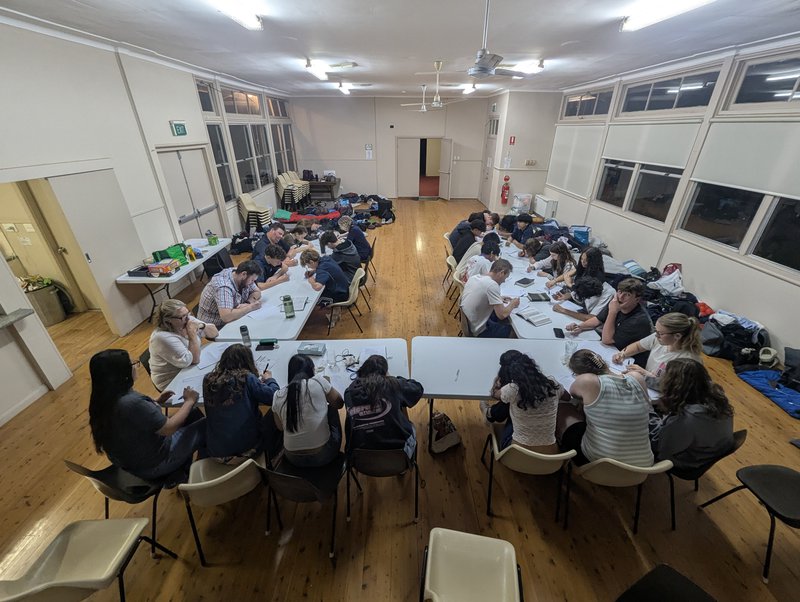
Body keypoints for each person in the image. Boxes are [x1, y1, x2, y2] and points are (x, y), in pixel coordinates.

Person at [88, 349, 206, 481]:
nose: (135, 367)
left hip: (132, 461)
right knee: (208, 424)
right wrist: (190, 401)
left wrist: (155, 402)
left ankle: (185, 469)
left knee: (193, 414)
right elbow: (169, 428)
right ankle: (200, 474)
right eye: (132, 364)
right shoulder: (130, 402)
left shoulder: (104, 399)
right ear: (122, 374)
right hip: (154, 464)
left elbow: (133, 418)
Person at [560, 349, 653, 467]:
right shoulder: (636, 377)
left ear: (580, 374)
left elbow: (573, 393)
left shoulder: (587, 380)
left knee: (564, 408)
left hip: (601, 464)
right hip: (643, 465)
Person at [650, 359, 734, 471]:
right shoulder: (715, 397)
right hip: (706, 451)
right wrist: (644, 379)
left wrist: (646, 409)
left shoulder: (686, 419)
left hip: (687, 460)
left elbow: (659, 446)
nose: (662, 380)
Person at [202, 344, 280, 463]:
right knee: (275, 412)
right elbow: (274, 396)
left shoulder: (208, 379)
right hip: (246, 450)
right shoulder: (247, 378)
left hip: (215, 452)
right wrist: (269, 379)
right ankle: (272, 458)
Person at [481, 353, 567, 453]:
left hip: (515, 453)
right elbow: (567, 397)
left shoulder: (512, 389)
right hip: (550, 456)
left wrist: (497, 379)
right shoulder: (552, 384)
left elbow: (494, 394)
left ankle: (490, 414)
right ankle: (490, 413)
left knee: (512, 407)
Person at [344, 355, 424, 458]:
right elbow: (418, 388)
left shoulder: (349, 393)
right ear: (384, 374)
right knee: (405, 413)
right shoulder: (392, 384)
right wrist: (394, 379)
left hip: (360, 456)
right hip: (400, 452)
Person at [272, 354, 344, 467]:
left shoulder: (278, 395)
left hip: (292, 458)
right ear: (311, 370)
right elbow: (339, 403)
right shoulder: (318, 381)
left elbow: (280, 427)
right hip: (324, 455)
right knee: (332, 407)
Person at [565, 278, 653, 364]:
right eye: (620, 292)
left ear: (637, 299)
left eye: (627, 295)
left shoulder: (639, 320)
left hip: (628, 360)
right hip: (613, 349)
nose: (621, 297)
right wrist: (580, 326)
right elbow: (597, 319)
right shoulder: (616, 303)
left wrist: (612, 312)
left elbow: (607, 340)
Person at [612, 312, 703, 389]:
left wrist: (646, 374)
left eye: (660, 333)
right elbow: (638, 346)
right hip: (647, 384)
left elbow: (674, 388)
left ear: (677, 336)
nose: (656, 335)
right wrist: (622, 354)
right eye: (656, 330)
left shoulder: (688, 360)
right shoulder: (660, 339)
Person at [148, 299, 218, 392]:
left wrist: (202, 325)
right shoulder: (161, 337)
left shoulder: (186, 320)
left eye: (188, 313)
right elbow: (193, 360)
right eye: (182, 317)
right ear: (168, 320)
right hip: (173, 380)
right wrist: (192, 334)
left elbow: (214, 333)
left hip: (192, 368)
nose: (188, 318)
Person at [460, 258, 520, 338]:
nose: (504, 281)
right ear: (501, 273)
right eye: (505, 278)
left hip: (469, 323)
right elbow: (502, 314)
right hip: (479, 331)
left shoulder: (474, 278)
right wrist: (513, 303)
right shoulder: (492, 285)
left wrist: (498, 298)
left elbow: (482, 295)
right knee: (514, 332)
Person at [197, 261, 263, 328]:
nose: (252, 282)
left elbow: (257, 291)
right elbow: (226, 317)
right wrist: (251, 307)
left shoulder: (240, 274)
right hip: (213, 326)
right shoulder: (223, 287)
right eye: (252, 280)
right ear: (244, 274)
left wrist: (248, 302)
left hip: (230, 316)